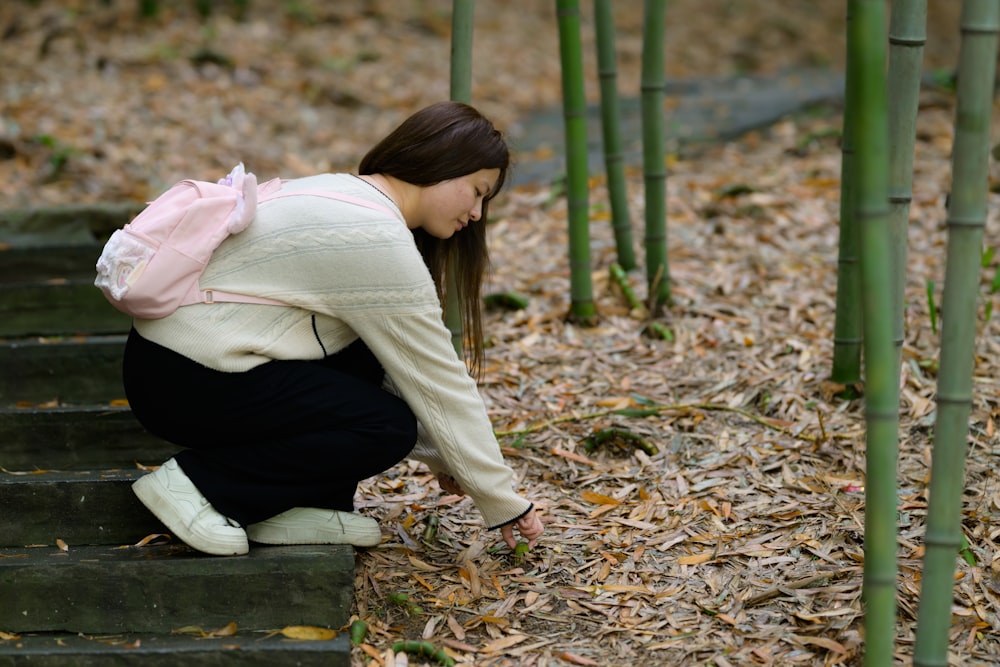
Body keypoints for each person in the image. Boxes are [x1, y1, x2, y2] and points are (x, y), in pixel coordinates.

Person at [124, 101, 544, 556]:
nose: (478, 214)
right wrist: (501, 498)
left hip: (181, 365)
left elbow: (398, 365)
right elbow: (438, 379)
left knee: (366, 355)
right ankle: (199, 487)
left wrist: (452, 457)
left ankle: (303, 503)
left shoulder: (347, 194)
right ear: (444, 165)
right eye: (477, 191)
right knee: (385, 427)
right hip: (185, 380)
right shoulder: (372, 235)